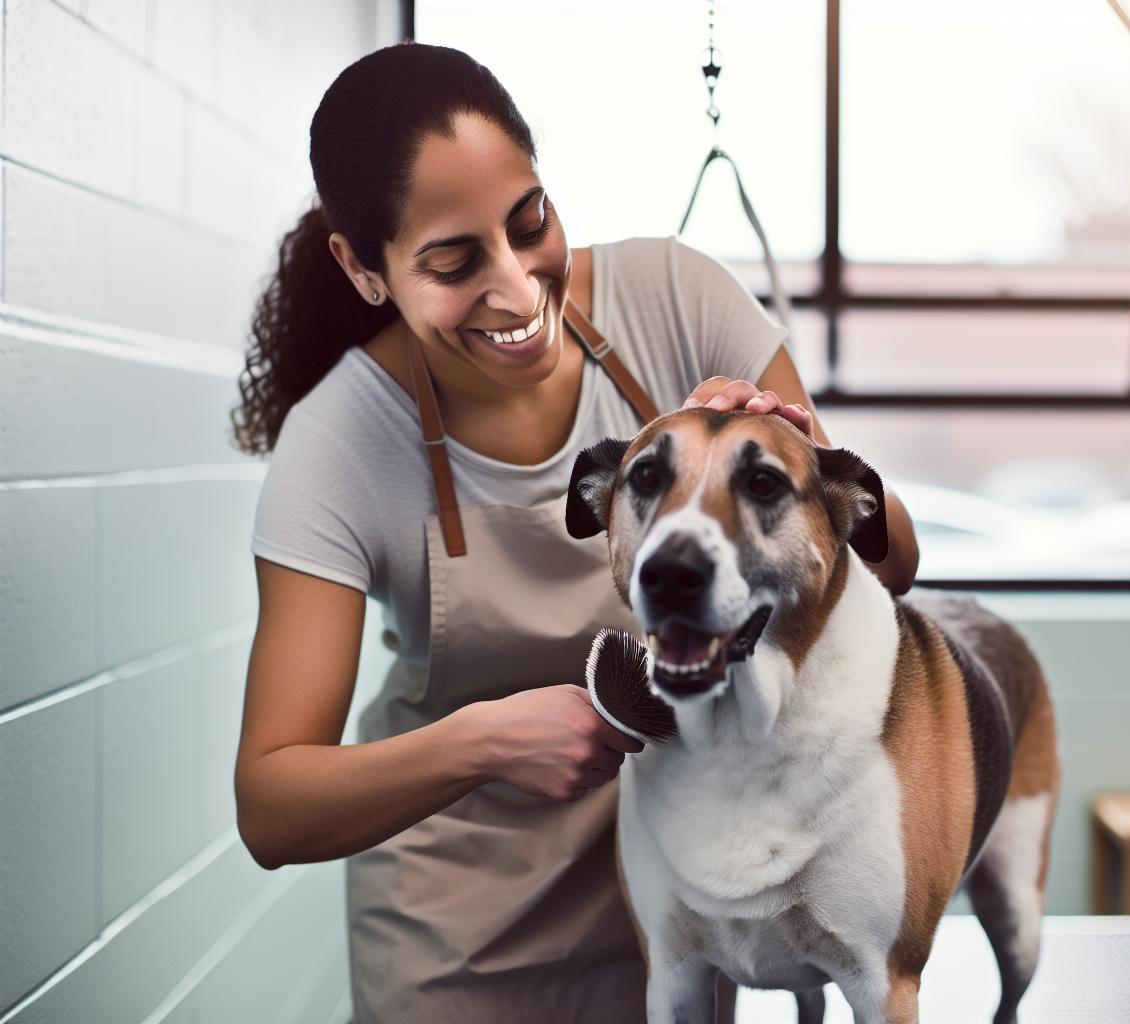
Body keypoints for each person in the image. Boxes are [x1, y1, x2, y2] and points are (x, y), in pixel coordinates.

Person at [231, 42, 919, 1022]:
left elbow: (886, 570)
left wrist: (801, 458)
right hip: (452, 954)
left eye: (529, 223)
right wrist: (479, 742)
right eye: (454, 262)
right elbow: (272, 803)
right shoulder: (341, 443)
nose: (517, 291)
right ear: (364, 267)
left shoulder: (677, 303)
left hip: (679, 919)